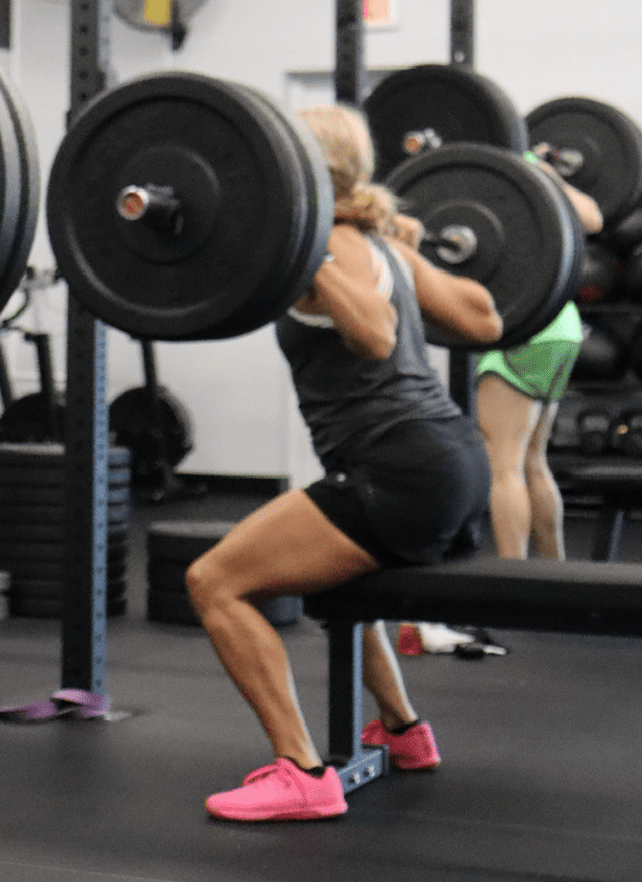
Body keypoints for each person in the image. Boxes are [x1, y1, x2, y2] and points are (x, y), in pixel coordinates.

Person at [184, 103, 502, 822]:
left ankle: (302, 773)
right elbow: (486, 317)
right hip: (454, 461)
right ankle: (403, 731)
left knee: (215, 583)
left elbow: (377, 336)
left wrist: (313, 264)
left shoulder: (321, 248)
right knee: (340, 583)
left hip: (398, 469)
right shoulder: (381, 244)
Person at [474, 153, 605, 560]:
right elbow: (593, 218)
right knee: (533, 460)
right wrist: (549, 174)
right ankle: (554, 570)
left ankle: (513, 578)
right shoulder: (530, 169)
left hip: (521, 325)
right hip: (560, 321)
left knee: (504, 466)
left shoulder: (491, 172)